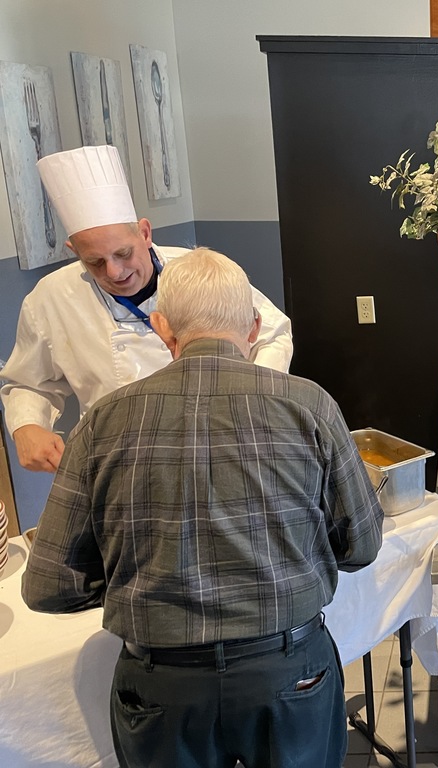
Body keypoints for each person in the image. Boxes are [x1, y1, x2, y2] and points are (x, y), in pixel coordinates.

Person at [21, 247, 384, 768]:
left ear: (163, 328)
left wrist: (134, 576)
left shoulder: (102, 421)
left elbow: (48, 586)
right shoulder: (310, 405)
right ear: (254, 326)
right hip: (288, 670)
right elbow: (363, 545)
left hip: (160, 684)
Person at [0, 145, 293, 473]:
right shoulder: (52, 298)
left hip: (216, 448)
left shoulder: (200, 271)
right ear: (73, 250)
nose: (114, 272)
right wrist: (26, 425)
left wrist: (254, 400)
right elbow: (28, 381)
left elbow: (273, 332)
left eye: (123, 253)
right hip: (114, 462)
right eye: (94, 261)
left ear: (144, 232)